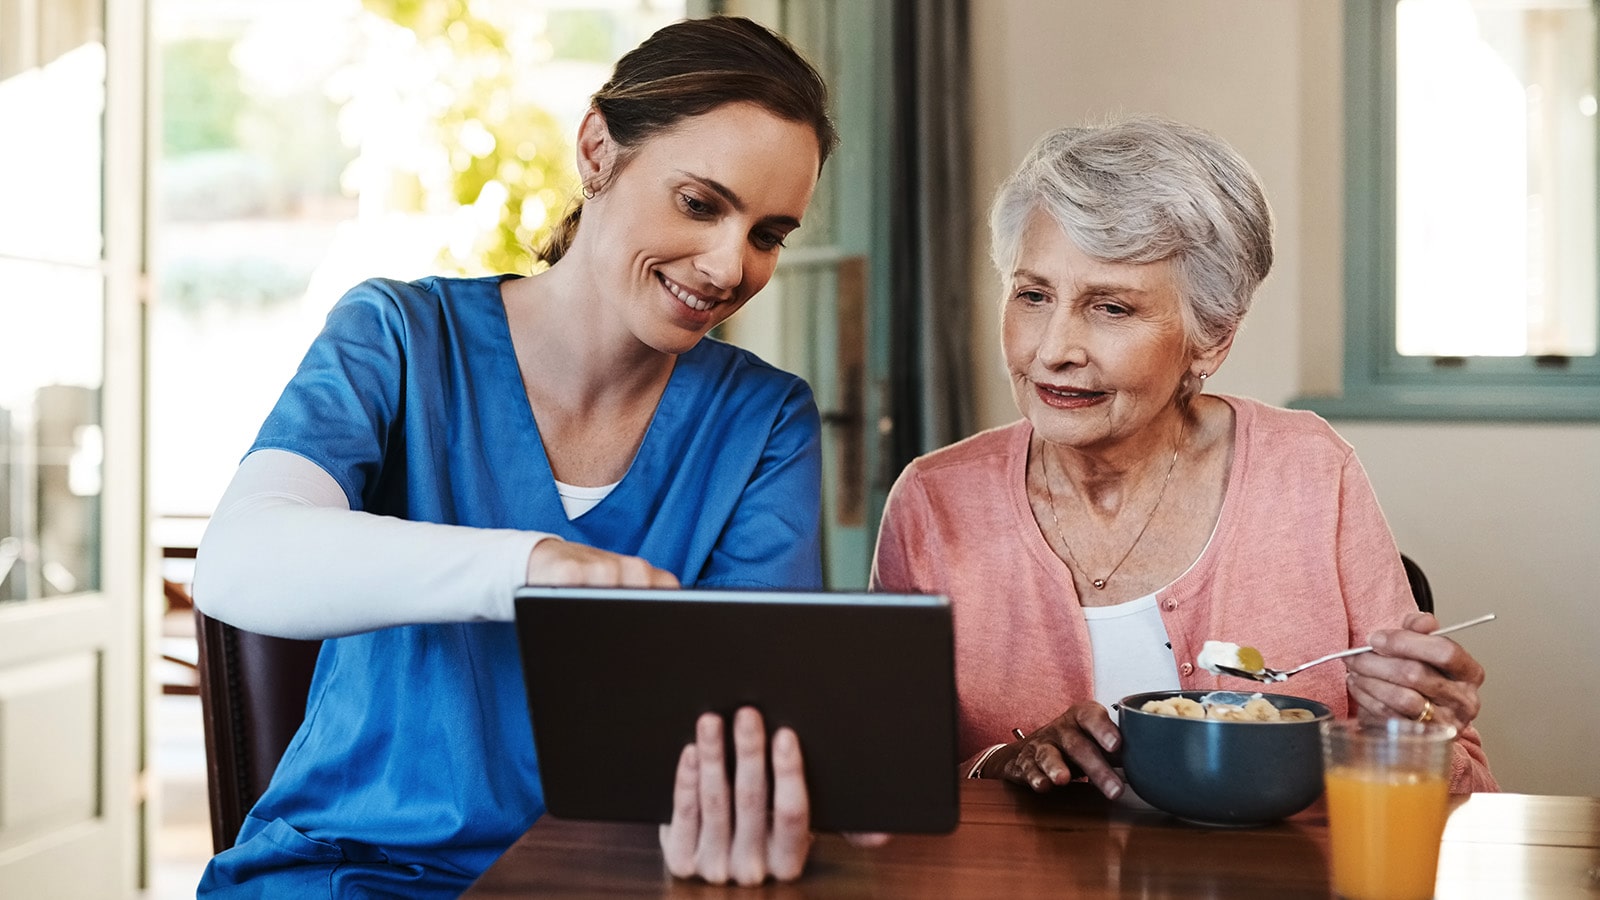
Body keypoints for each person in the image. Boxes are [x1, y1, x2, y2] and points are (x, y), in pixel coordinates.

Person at [193, 16, 848, 895]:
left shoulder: (764, 422)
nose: (730, 266)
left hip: (619, 881)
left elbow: (756, 719)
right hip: (350, 874)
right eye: (700, 203)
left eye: (769, 234)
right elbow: (240, 560)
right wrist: (533, 566)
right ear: (596, 149)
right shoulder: (397, 337)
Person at [870, 116, 1497, 800]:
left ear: (1211, 340)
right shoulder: (933, 503)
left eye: (1110, 308)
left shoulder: (1311, 472)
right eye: (1033, 295)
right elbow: (877, 781)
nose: (1054, 349)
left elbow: (1465, 783)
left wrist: (1411, 728)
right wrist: (1000, 765)